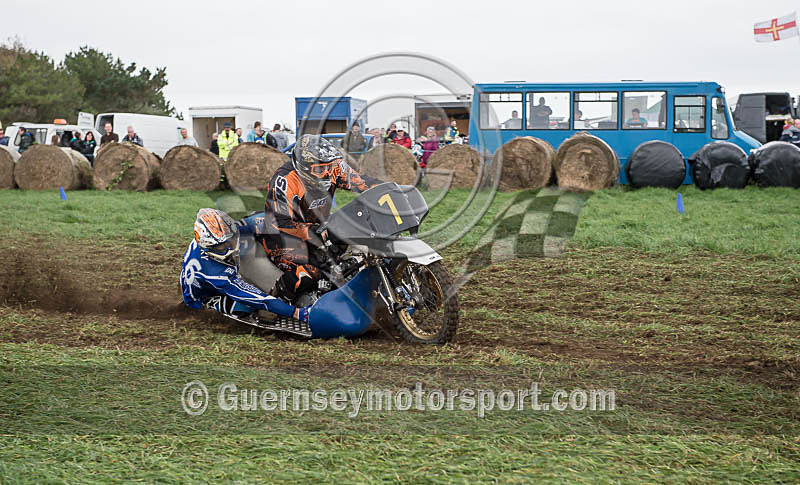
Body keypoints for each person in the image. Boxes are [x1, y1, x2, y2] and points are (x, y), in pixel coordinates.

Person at [260, 135, 382, 301]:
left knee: (358, 249)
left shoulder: (334, 166)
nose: (326, 173)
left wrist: (389, 189)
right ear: (303, 166)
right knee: (310, 273)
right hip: (282, 238)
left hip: (319, 228)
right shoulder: (285, 180)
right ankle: (275, 301)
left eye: (328, 167)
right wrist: (314, 231)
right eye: (319, 169)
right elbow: (280, 222)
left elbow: (361, 182)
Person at [181, 208, 310, 323]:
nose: (230, 247)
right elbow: (258, 298)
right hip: (203, 297)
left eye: (230, 241)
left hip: (205, 271)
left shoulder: (217, 234)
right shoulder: (215, 274)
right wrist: (296, 313)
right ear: (209, 249)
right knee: (247, 307)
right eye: (222, 247)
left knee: (255, 225)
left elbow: (251, 223)